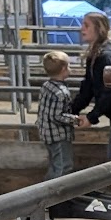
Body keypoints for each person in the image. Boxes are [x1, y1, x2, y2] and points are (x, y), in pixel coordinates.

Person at [69, 11, 111, 196]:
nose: (82, 29)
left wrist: (91, 117)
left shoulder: (106, 56)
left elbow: (109, 92)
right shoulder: (96, 55)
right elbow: (87, 88)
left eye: (86, 25)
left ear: (98, 28)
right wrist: (71, 110)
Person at [35, 50, 77, 179]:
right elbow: (57, 116)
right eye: (69, 66)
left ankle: (48, 191)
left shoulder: (46, 86)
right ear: (64, 69)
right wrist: (75, 119)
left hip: (47, 133)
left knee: (55, 164)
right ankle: (56, 194)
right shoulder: (61, 92)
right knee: (64, 166)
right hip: (59, 136)